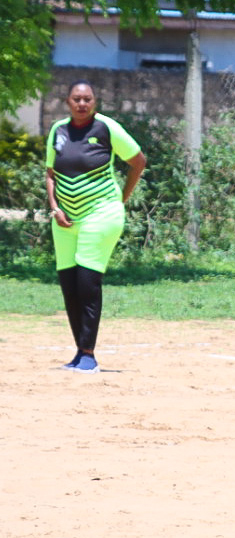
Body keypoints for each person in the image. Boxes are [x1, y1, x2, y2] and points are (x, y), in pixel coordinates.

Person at [46, 80, 147, 374]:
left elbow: (138, 161)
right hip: (65, 219)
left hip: (101, 214)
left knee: (86, 283)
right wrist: (55, 208)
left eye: (87, 99)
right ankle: (80, 352)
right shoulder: (58, 131)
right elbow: (51, 172)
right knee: (69, 285)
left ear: (95, 102)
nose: (81, 103)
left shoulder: (106, 128)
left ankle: (88, 355)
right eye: (76, 99)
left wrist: (122, 198)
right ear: (68, 101)